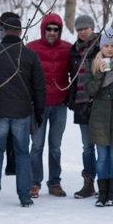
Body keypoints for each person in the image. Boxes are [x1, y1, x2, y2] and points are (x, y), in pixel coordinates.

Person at [0, 12, 46, 207]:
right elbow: (39, 86)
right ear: (20, 32)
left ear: (3, 31)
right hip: (21, 111)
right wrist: (39, 112)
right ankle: (24, 195)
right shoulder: (30, 55)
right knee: (22, 153)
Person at [82, 26, 113, 207]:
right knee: (102, 156)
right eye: (106, 46)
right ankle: (102, 193)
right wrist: (100, 74)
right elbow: (90, 91)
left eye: (112, 45)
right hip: (99, 116)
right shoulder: (93, 64)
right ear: (101, 47)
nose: (110, 49)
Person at [26, 13, 73, 197]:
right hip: (38, 105)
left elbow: (75, 72)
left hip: (59, 104)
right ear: (43, 29)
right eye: (49, 29)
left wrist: (70, 96)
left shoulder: (68, 49)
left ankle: (54, 182)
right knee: (37, 145)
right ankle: (33, 182)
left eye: (56, 29)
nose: (52, 32)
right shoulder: (31, 48)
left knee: (55, 146)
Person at [68, 14, 100, 198]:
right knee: (87, 146)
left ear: (92, 28)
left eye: (85, 28)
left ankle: (104, 182)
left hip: (98, 102)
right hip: (81, 102)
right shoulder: (74, 50)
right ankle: (88, 182)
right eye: (79, 29)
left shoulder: (101, 47)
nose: (82, 32)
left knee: (102, 144)